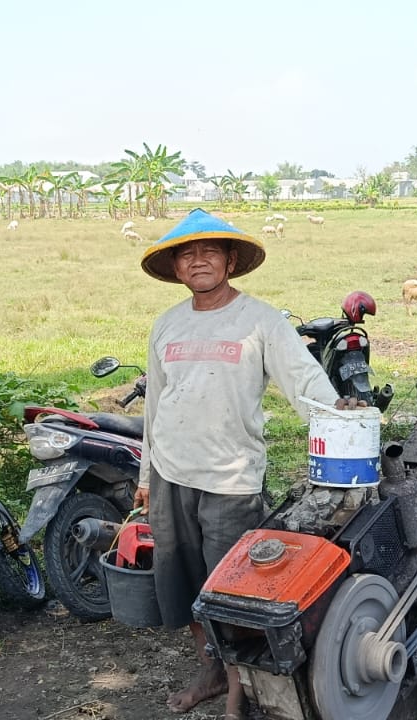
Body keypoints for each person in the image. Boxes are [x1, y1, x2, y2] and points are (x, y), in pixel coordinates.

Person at [132, 209, 348, 719]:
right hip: (169, 473)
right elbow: (154, 405)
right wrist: (145, 477)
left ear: (230, 260)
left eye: (210, 251)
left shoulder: (262, 321)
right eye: (187, 253)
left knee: (232, 591)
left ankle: (238, 692)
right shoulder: (167, 325)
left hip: (230, 478)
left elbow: (304, 380)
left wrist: (339, 415)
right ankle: (209, 670)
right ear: (176, 267)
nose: (198, 260)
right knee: (183, 583)